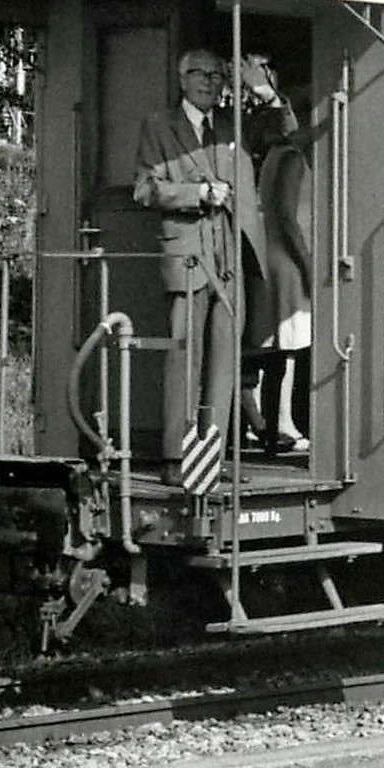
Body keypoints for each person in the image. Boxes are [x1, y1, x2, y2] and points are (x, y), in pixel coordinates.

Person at [133, 49, 291, 484]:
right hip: (187, 255)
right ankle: (174, 460)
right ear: (181, 79)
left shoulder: (231, 127)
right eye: (199, 74)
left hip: (229, 257)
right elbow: (145, 189)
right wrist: (197, 193)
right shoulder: (158, 126)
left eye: (217, 75)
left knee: (224, 359)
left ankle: (213, 459)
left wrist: (260, 87)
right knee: (184, 357)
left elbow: (285, 131)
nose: (208, 81)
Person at [247, 84, 314, 454]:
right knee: (287, 346)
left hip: (270, 253)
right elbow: (289, 217)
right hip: (287, 259)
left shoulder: (275, 154)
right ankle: (282, 423)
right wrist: (307, 263)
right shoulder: (292, 159)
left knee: (269, 343)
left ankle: (259, 421)